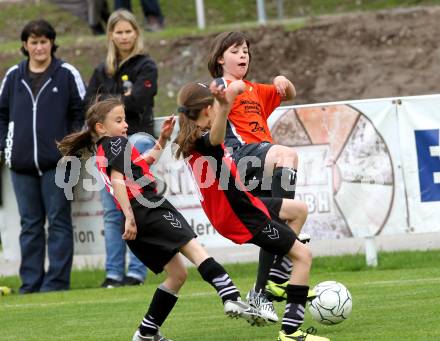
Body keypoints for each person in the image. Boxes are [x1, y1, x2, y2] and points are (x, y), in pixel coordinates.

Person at [57, 97, 262, 341]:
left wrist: (162, 140)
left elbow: (139, 165)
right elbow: (118, 179)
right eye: (118, 120)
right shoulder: (114, 143)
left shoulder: (105, 148)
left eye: (125, 120)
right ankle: (231, 296)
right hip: (146, 209)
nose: (125, 126)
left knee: (177, 275)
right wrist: (130, 217)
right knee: (194, 248)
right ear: (101, 127)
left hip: (138, 216)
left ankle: (146, 332)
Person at [174, 80, 329, 341]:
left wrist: (223, 104)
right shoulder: (202, 140)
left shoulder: (191, 140)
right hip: (241, 215)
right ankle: (291, 332)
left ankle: (276, 279)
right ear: (206, 110)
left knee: (298, 210)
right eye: (213, 107)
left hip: (245, 206)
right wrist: (225, 106)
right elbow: (216, 139)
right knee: (303, 256)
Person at [207, 31, 304, 308]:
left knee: (272, 228)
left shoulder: (253, 89)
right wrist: (223, 94)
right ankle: (282, 229)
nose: (243, 56)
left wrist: (283, 82)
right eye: (236, 51)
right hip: (239, 158)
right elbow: (210, 110)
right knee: (287, 155)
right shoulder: (218, 87)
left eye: (246, 51)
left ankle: (260, 294)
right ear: (219, 58)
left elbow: (288, 93)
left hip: (261, 160)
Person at [0, 20, 85, 294]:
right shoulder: (13, 76)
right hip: (21, 165)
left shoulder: (67, 73)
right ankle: (31, 284)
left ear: (51, 43)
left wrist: (70, 148)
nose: (38, 47)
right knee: (30, 226)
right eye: (33, 42)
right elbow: (1, 115)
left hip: (59, 165)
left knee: (59, 222)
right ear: (25, 45)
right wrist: (5, 147)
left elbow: (81, 113)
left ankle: (56, 284)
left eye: (43, 41)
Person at [85, 9, 158, 288]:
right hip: (108, 147)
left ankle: (137, 271)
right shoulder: (101, 70)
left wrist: (110, 105)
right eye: (119, 31)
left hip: (139, 139)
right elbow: (89, 108)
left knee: (135, 204)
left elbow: (138, 101)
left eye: (129, 31)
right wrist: (121, 100)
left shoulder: (146, 65)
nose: (124, 36)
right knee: (112, 209)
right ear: (111, 35)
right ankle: (114, 273)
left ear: (136, 34)